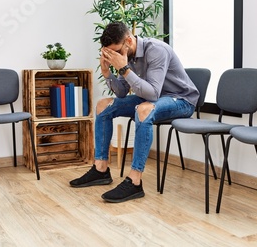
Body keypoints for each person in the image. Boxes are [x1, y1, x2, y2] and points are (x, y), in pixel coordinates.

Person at [70, 21, 199, 203]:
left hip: (181, 100)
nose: (114, 56)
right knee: (103, 105)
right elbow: (122, 92)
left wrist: (123, 68)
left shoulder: (157, 50)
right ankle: (100, 169)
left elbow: (153, 93)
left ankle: (135, 181)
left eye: (115, 51)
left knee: (144, 109)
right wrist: (108, 73)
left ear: (128, 41)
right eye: (109, 53)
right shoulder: (127, 55)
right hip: (153, 99)